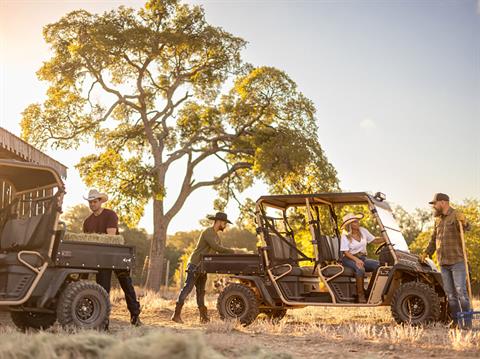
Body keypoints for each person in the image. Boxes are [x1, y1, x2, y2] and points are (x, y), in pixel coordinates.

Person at [82, 189, 142, 327]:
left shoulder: (110, 215)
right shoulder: (87, 221)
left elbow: (111, 237)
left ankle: (135, 316)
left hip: (115, 255)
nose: (92, 204)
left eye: (95, 202)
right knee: (103, 289)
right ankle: (104, 321)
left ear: (100, 201)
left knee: (126, 285)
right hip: (100, 259)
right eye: (90, 202)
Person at [171, 212, 235, 324]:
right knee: (187, 289)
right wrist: (232, 251)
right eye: (224, 223)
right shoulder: (208, 232)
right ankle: (176, 315)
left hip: (203, 267)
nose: (225, 226)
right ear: (219, 222)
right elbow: (216, 247)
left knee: (201, 292)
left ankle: (203, 318)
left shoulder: (216, 236)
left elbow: (218, 250)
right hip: (195, 265)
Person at [420, 193, 471, 329]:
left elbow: (467, 228)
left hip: (457, 260)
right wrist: (427, 252)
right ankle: (456, 322)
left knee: (461, 292)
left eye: (435, 204)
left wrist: (464, 222)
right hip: (443, 263)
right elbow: (433, 239)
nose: (433, 207)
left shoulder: (456, 215)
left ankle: (467, 323)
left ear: (442, 202)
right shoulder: (438, 220)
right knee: (450, 295)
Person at [340, 213, 385, 303]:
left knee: (379, 266)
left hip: (362, 257)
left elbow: (374, 240)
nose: (358, 223)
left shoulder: (363, 231)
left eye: (357, 221)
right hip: (349, 258)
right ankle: (360, 294)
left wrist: (386, 238)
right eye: (355, 221)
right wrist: (356, 260)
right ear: (350, 225)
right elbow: (345, 252)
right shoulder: (345, 236)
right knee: (360, 269)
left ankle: (370, 291)